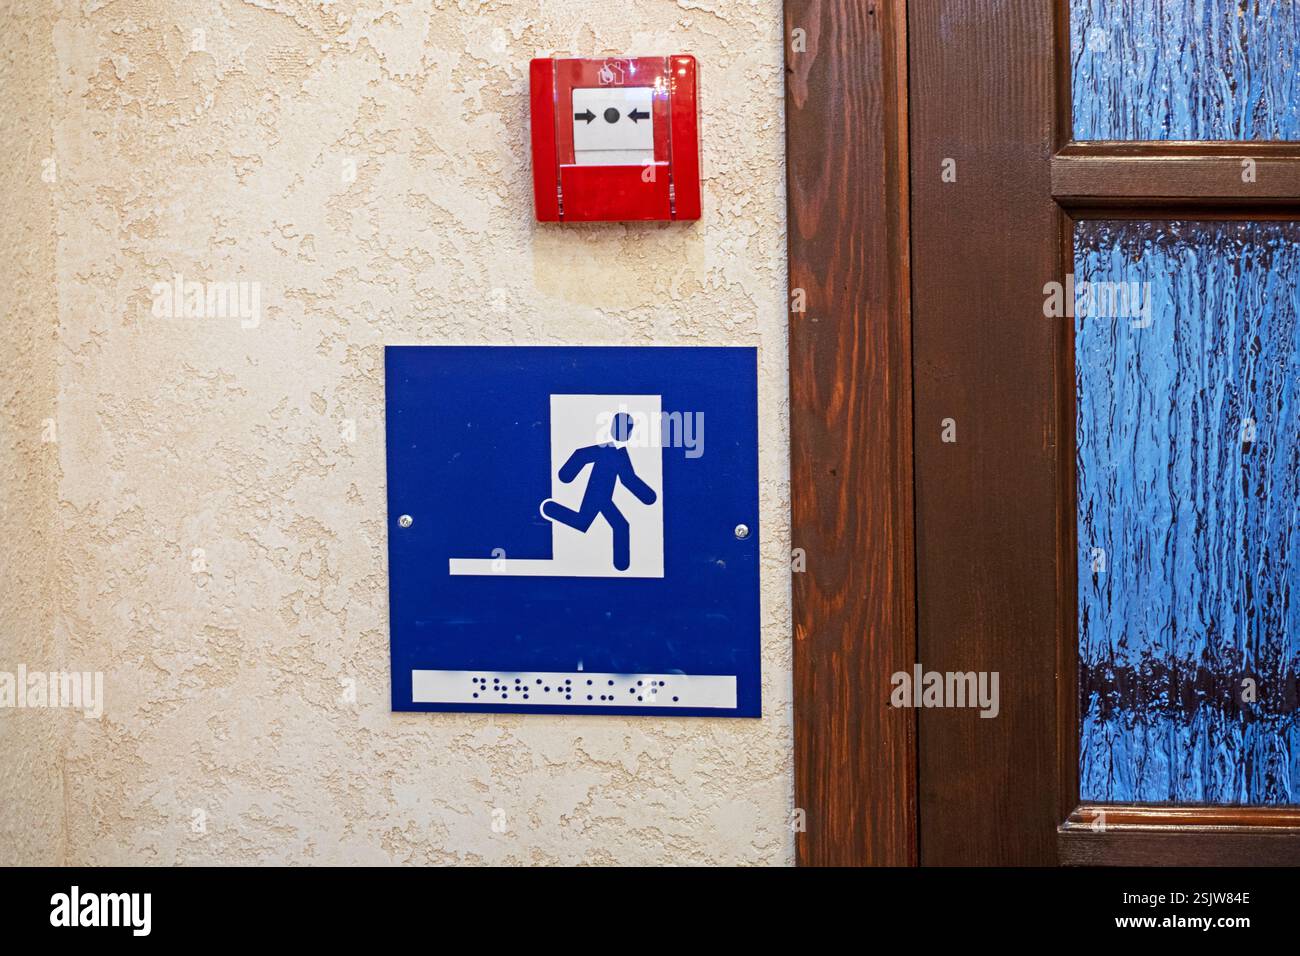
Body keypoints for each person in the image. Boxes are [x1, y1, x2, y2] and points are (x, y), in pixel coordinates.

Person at [541, 413, 657, 571]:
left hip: (604, 496)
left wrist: (647, 496)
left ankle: (621, 564)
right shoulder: (605, 449)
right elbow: (580, 455)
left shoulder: (621, 454)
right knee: (609, 524)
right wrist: (566, 475)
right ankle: (550, 509)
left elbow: (628, 479)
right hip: (595, 494)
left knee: (614, 525)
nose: (626, 433)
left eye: (628, 430)